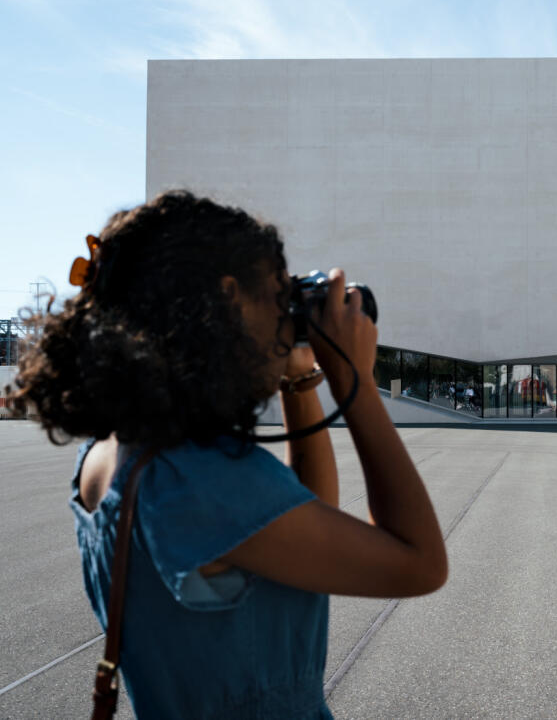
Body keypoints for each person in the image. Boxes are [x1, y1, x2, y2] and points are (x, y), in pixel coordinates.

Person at [5, 191, 447, 718]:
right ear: (231, 298)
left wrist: (300, 382)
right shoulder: (198, 477)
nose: (287, 319)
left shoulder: (112, 455)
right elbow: (418, 565)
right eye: (278, 297)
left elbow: (299, 516)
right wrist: (360, 383)